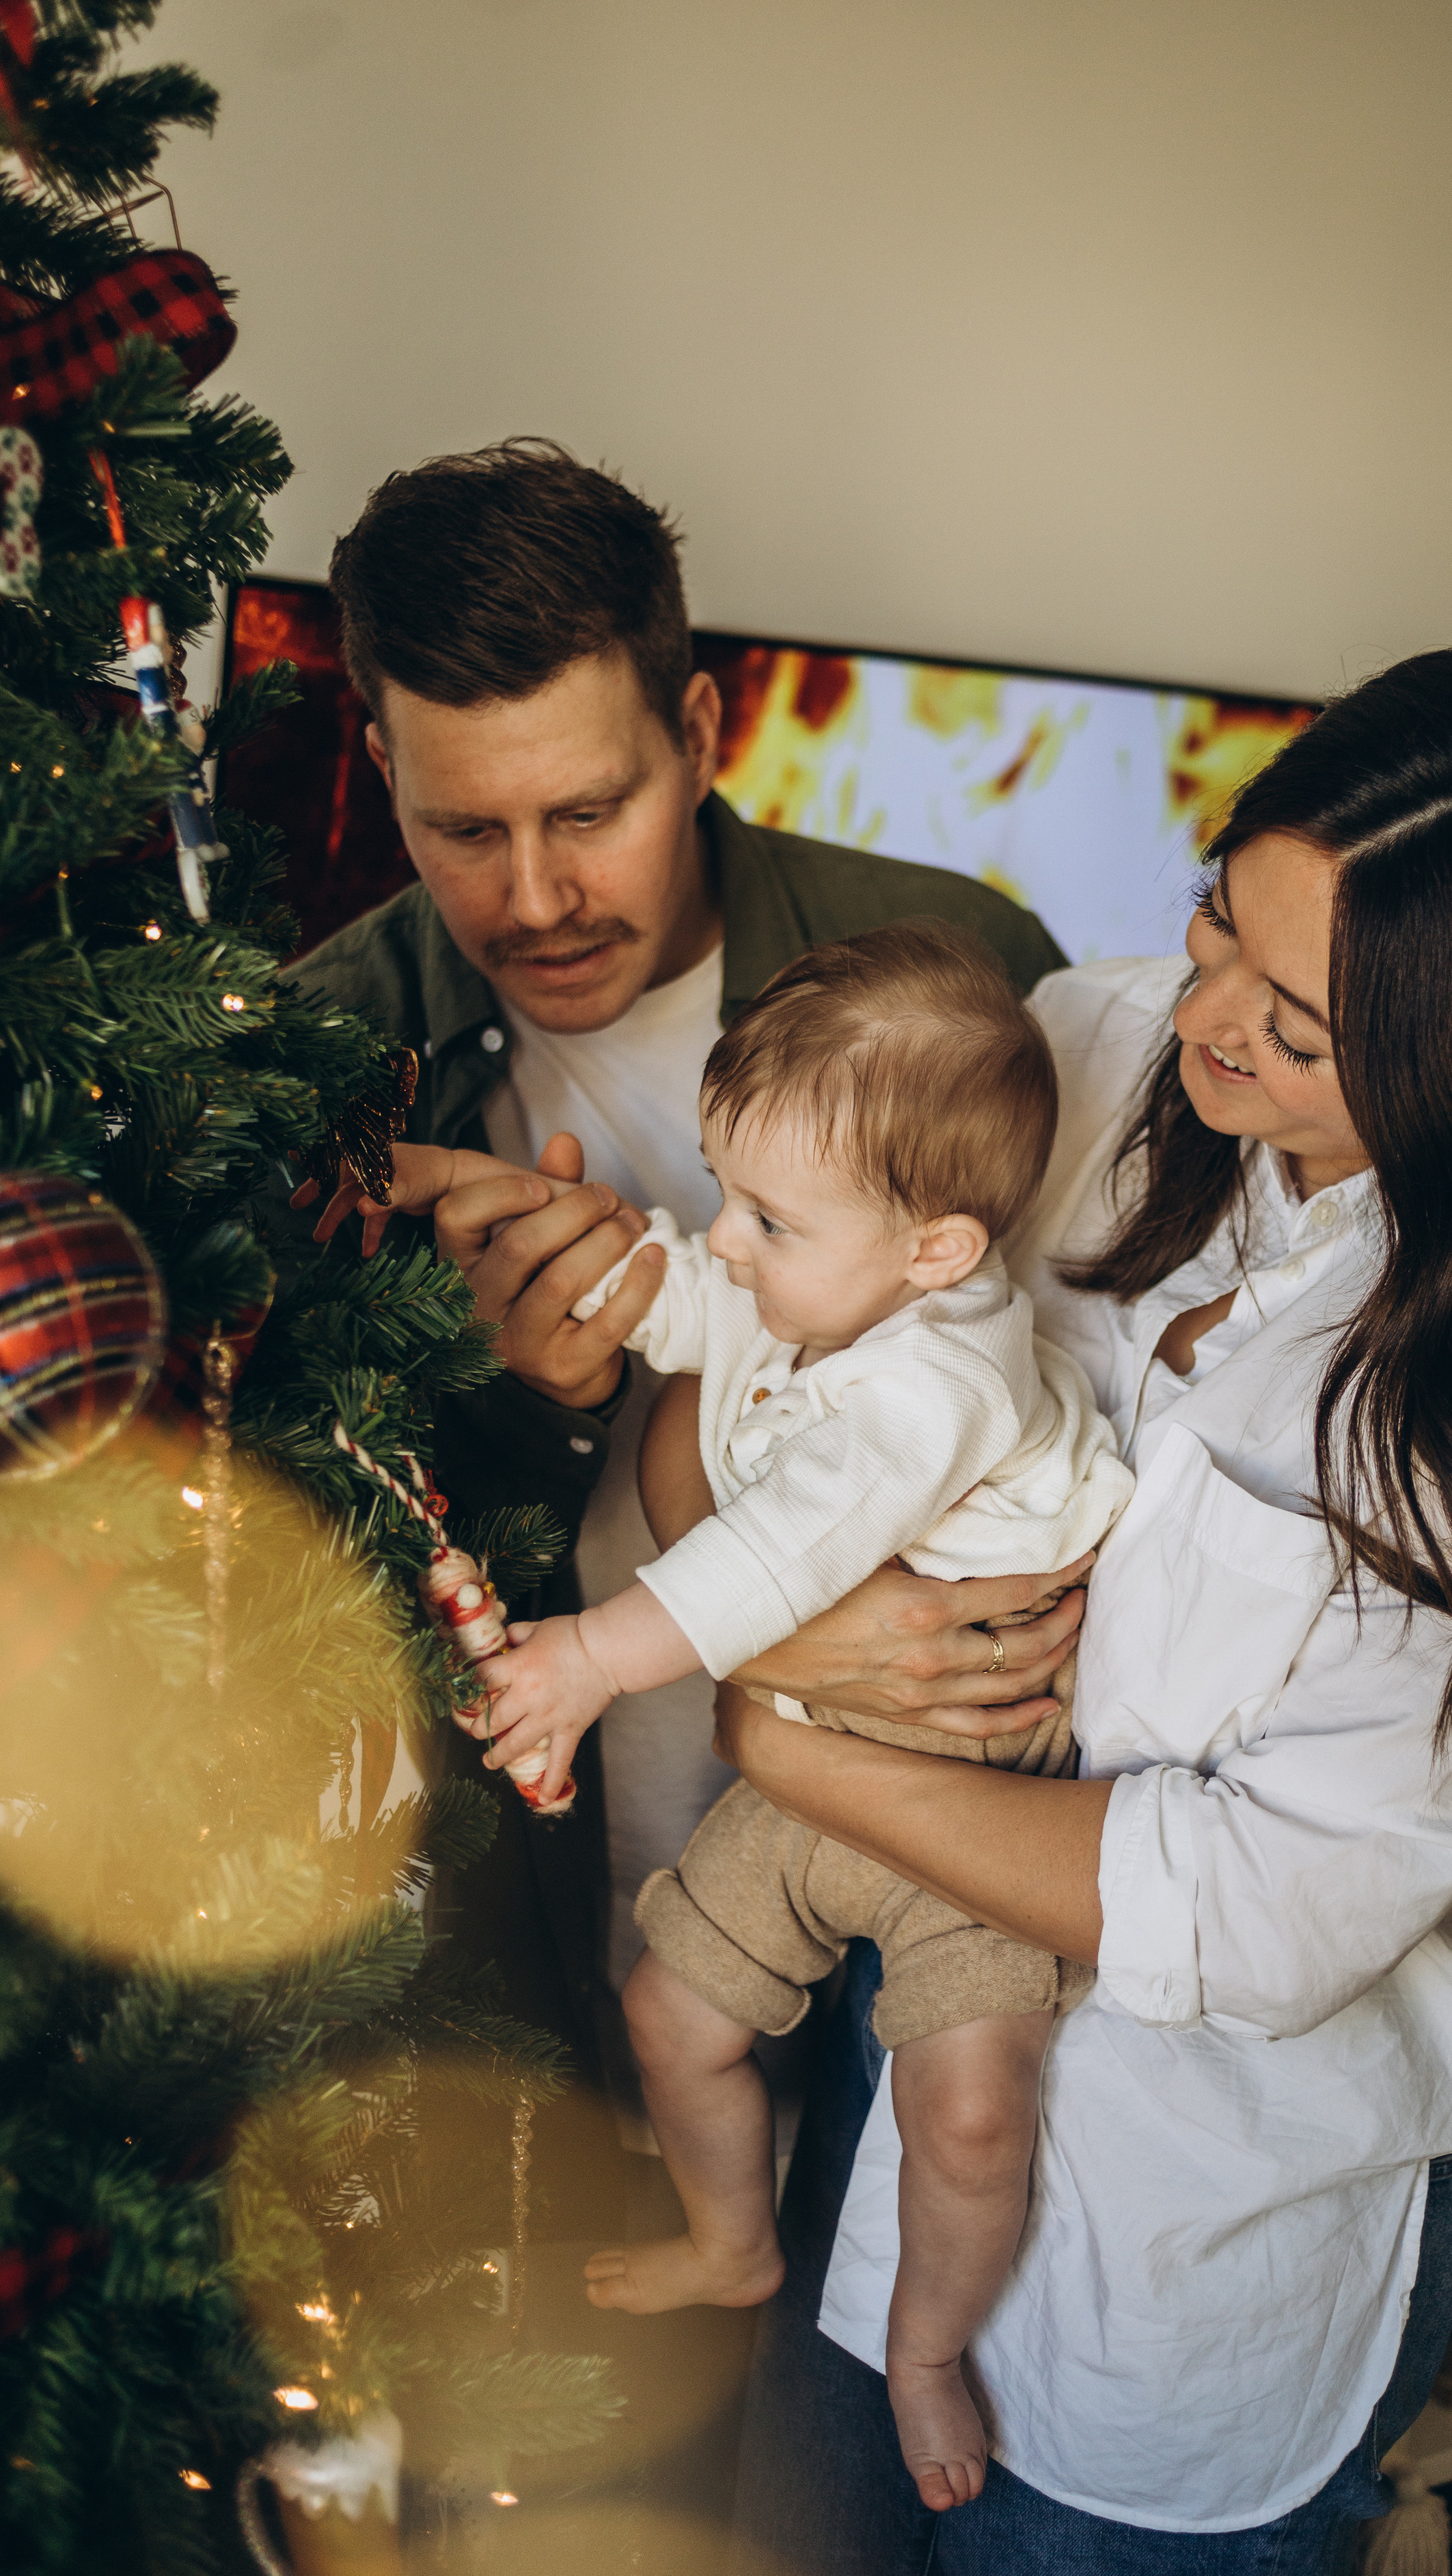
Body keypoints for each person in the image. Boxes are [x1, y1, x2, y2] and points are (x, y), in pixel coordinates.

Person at [616, 639, 1452, 2568]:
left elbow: (1255, 1908)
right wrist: (759, 1579)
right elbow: (765, 1413)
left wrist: (765, 1727)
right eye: (1219, 920)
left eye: (1297, 1026)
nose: (1205, 1020)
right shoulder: (1086, 1045)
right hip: (899, 2061)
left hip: (1188, 2223)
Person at [323, 926, 1133, 2510]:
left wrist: (582, 1662)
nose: (731, 1239)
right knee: (668, 2018)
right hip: (809, 1778)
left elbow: (773, 1558)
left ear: (939, 1252)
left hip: (960, 1810)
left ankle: (922, 2349)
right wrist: (502, 1214)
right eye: (724, 1190)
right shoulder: (822, 1292)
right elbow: (688, 1300)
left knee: (969, 2117)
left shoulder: (933, 1386)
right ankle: (729, 2241)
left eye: (766, 1215)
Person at [289, 441, 1068, 2079]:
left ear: (699, 733)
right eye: (462, 829)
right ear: (378, 766)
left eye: (590, 811)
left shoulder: (963, 976)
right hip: (545, 1968)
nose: (536, 895)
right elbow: (260, 1596)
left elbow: (1088, 1427)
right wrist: (517, 1398)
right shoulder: (315, 1056)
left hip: (944, 1902)